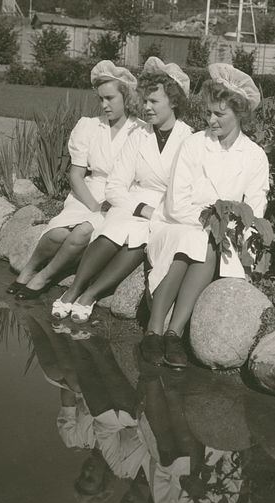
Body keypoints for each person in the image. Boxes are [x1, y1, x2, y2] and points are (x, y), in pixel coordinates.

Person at [141, 63, 270, 368]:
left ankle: (172, 333)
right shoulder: (193, 145)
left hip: (222, 237)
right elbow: (175, 205)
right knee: (196, 238)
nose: (211, 120)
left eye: (219, 114)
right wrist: (210, 221)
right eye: (208, 112)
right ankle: (154, 331)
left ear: (239, 113)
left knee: (207, 242)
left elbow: (254, 213)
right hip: (176, 225)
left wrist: (225, 226)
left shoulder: (254, 157)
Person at [52, 57, 194, 322]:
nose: (147, 108)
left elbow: (185, 191)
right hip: (131, 201)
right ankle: (72, 290)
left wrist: (157, 213)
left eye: (154, 102)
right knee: (114, 229)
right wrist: (140, 207)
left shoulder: (189, 140)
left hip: (166, 210)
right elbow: (116, 186)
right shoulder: (139, 135)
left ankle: (90, 294)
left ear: (173, 102)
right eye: (145, 101)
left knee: (139, 238)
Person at [10, 60, 144, 299]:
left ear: (127, 96)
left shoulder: (141, 131)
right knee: (57, 234)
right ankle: (29, 268)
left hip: (120, 198)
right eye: (100, 99)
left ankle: (44, 277)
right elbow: (76, 175)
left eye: (110, 98)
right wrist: (93, 205)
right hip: (88, 192)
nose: (104, 105)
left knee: (81, 233)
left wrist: (108, 206)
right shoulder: (89, 126)